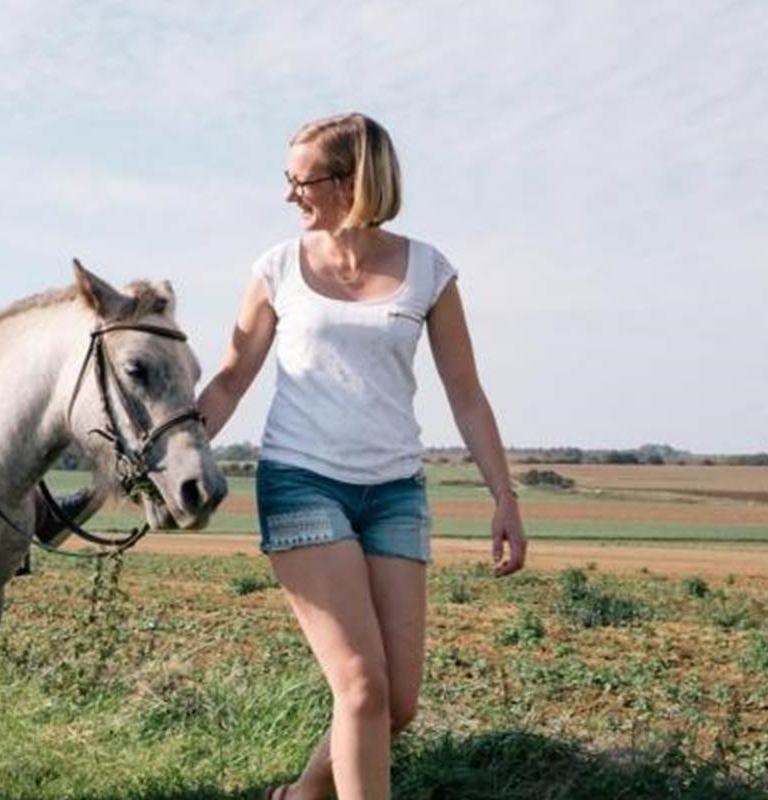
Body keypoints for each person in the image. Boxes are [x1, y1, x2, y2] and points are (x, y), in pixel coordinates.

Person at [194, 112, 529, 800]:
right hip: (301, 483)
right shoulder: (277, 268)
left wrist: (505, 497)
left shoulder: (428, 271)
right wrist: (168, 454)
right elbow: (230, 380)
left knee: (396, 703)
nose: (290, 196)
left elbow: (466, 395)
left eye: (302, 181)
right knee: (362, 686)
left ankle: (302, 794)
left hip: (395, 494)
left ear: (352, 181)